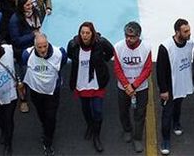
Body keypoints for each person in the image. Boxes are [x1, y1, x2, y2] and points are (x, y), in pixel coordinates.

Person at [66, 21, 113, 153]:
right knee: (86, 108)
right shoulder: (73, 45)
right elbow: (70, 56)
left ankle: (96, 136)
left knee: (97, 110)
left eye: (87, 33)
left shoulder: (101, 43)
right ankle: (90, 126)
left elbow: (110, 52)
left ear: (92, 33)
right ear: (79, 34)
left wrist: (101, 63)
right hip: (81, 83)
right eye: (82, 33)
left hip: (96, 83)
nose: (85, 35)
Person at [21, 33, 67, 156]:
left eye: (45, 46)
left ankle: (48, 142)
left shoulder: (59, 53)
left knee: (51, 117)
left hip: (52, 92)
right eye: (39, 47)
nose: (43, 50)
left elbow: (62, 65)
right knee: (42, 114)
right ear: (35, 46)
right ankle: (45, 126)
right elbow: (25, 67)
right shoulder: (27, 54)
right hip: (36, 91)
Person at [156, 19, 194, 155]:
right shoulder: (165, 47)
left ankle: (176, 122)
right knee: (167, 113)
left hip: (181, 83)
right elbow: (160, 70)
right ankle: (165, 139)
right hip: (170, 87)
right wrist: (163, 90)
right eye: (186, 31)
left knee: (178, 106)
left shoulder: (190, 43)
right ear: (177, 32)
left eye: (189, 30)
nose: (189, 33)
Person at [113, 21, 151, 154]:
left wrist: (134, 85)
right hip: (123, 88)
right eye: (126, 35)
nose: (128, 39)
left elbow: (147, 69)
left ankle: (137, 138)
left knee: (140, 114)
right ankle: (127, 130)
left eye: (132, 36)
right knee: (123, 111)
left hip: (141, 88)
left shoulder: (146, 48)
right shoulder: (118, 47)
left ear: (138, 36)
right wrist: (126, 85)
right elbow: (117, 68)